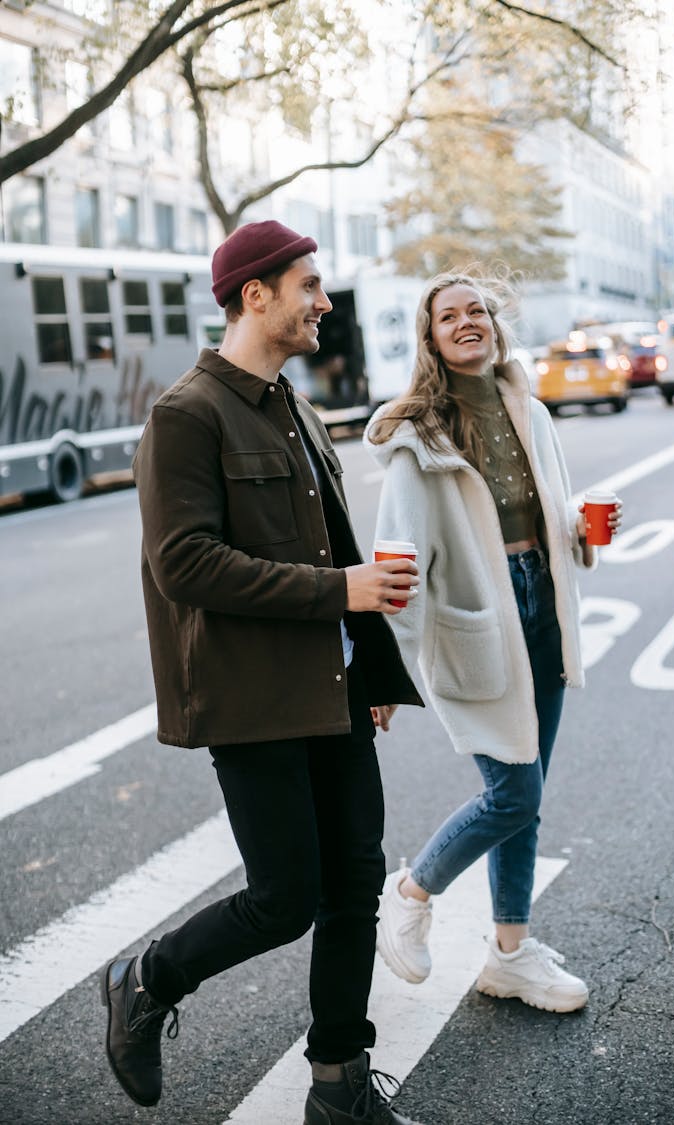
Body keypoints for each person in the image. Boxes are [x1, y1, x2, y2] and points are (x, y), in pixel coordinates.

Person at [100, 220, 426, 1125]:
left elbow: (332, 547)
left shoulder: (296, 405)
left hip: (332, 688)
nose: (324, 301)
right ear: (257, 295)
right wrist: (341, 592)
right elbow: (185, 564)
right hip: (253, 700)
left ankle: (338, 1086)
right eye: (310, 285)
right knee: (287, 898)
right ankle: (145, 977)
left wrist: (368, 669)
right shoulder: (185, 415)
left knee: (354, 883)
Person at [364, 271, 622, 1014]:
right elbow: (398, 558)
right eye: (450, 316)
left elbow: (546, 505)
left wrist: (580, 527)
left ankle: (509, 952)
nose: (467, 321)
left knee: (527, 790)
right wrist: (387, 671)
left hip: (542, 606)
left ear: (495, 325)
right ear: (432, 339)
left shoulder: (530, 411)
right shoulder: (420, 439)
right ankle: (411, 894)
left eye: (477, 310)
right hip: (479, 621)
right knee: (514, 790)